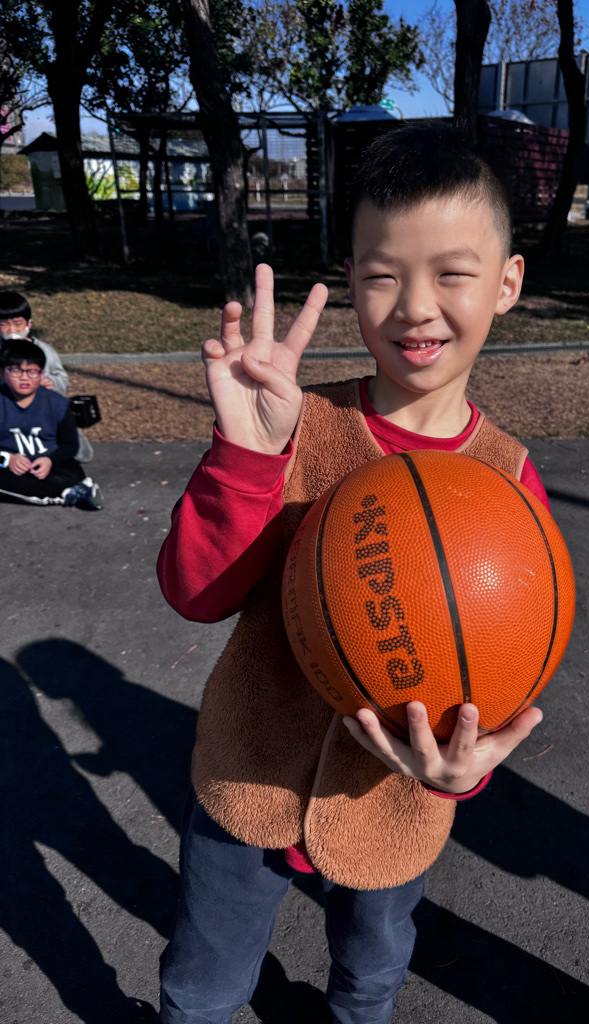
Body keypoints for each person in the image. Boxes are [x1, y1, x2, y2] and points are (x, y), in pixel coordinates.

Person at [156, 122, 550, 1024]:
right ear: (350, 282)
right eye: (382, 275)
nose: (415, 306)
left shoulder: (509, 482)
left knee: (370, 979)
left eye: (452, 273)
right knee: (201, 986)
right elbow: (196, 593)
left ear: (507, 282)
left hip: (393, 804)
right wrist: (245, 457)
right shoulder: (291, 423)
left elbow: (503, 670)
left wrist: (465, 772)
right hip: (248, 778)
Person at [0, 338, 103, 509]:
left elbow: (70, 444)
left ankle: (52, 493)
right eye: (16, 371)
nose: (24, 377)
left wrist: (49, 460)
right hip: (9, 466)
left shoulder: (57, 403)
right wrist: (8, 460)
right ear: (2, 373)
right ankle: (65, 495)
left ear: (42, 374)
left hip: (47, 464)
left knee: (73, 474)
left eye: (32, 371)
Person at [0, 288, 93, 462]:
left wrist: (53, 383)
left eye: (17, 323)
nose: (11, 330)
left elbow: (62, 377)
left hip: (41, 409)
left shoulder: (44, 351)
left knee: (68, 449)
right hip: (8, 413)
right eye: (3, 324)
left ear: (29, 325)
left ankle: (69, 449)